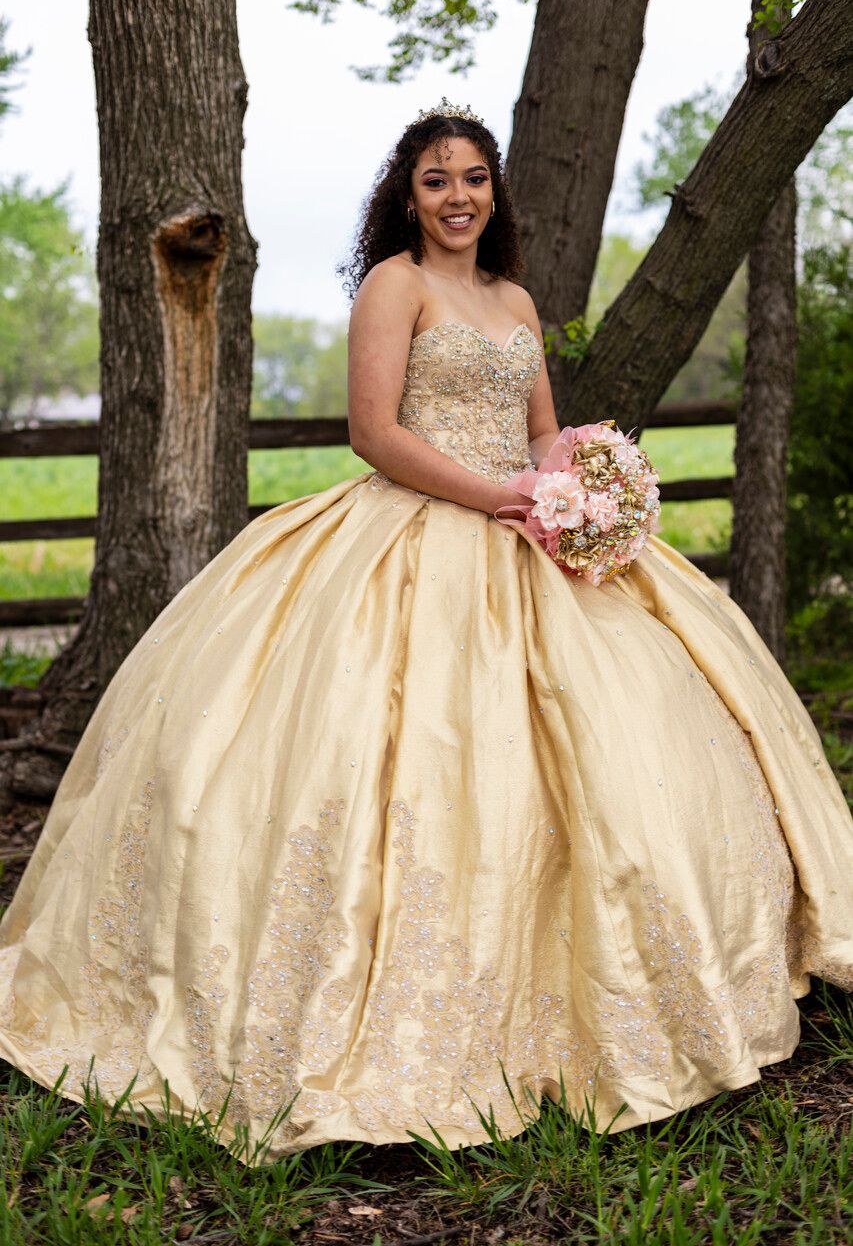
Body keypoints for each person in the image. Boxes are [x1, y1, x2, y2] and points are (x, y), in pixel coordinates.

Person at [0, 98, 850, 1168]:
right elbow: (374, 431)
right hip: (413, 526)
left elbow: (541, 427)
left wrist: (574, 488)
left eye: (474, 178)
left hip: (526, 530)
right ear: (407, 196)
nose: (457, 197)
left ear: (496, 192)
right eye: (437, 179)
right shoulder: (394, 285)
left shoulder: (513, 295)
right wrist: (495, 498)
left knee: (632, 728)